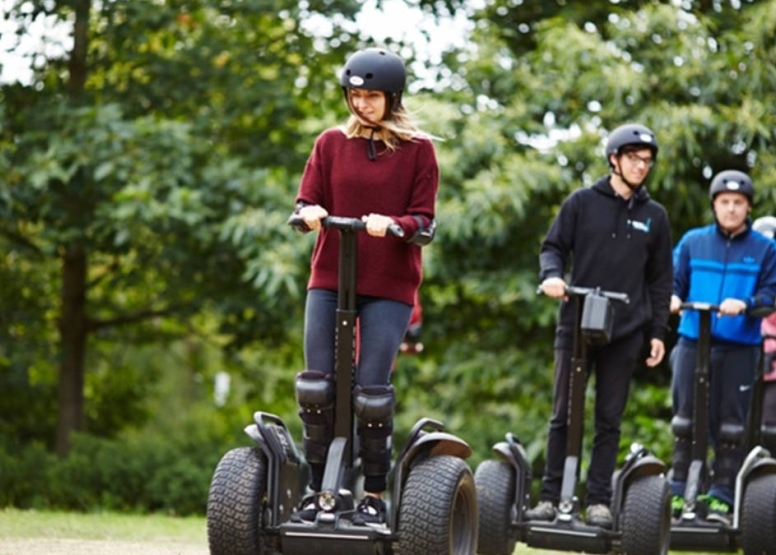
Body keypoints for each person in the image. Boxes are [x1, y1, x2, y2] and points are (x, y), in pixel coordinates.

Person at [290, 47, 438, 526]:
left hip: (389, 285)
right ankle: (320, 491)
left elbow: (424, 220)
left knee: (371, 394)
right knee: (318, 387)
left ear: (392, 98)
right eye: (355, 95)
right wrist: (309, 213)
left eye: (372, 96)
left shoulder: (418, 150)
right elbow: (306, 200)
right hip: (331, 278)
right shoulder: (330, 144)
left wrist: (393, 224)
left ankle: (374, 495)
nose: (362, 104)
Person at [527, 123, 674, 528]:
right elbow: (553, 248)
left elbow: (661, 280)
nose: (641, 167)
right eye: (633, 159)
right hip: (575, 325)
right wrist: (552, 276)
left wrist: (657, 333)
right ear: (614, 159)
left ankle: (597, 501)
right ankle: (551, 497)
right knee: (563, 414)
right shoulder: (581, 203)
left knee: (609, 418)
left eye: (646, 161)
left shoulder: (654, 216)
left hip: (626, 330)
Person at [668, 171, 776, 525]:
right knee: (685, 417)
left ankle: (723, 495)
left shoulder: (765, 249)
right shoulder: (693, 242)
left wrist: (746, 303)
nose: (731, 209)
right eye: (724, 202)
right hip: (692, 341)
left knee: (732, 425)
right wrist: (671, 297)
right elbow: (673, 280)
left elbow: (771, 293)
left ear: (747, 208)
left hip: (739, 347)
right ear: (714, 205)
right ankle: (680, 487)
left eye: (738, 203)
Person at [753, 216, 776, 456]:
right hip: (745, 363)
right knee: (737, 430)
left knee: (770, 431)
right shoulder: (746, 278)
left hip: (773, 371)